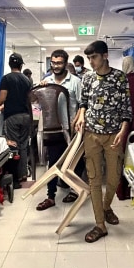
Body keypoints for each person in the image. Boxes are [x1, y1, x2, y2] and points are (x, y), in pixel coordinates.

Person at [73, 40, 132, 243]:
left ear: (105, 56)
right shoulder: (88, 78)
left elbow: (126, 109)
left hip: (114, 134)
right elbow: (84, 101)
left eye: (94, 57)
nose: (90, 62)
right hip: (91, 135)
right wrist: (81, 115)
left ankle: (106, 207)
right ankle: (100, 224)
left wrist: (123, 132)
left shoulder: (119, 78)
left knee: (114, 178)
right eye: (88, 58)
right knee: (95, 179)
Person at [35, 49, 83, 210]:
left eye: (59, 63)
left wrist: (77, 123)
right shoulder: (47, 80)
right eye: (53, 63)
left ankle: (74, 190)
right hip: (53, 129)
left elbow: (83, 104)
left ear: (65, 63)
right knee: (53, 162)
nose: (56, 66)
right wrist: (41, 90)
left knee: (74, 162)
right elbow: (36, 101)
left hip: (72, 129)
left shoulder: (75, 81)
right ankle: (50, 196)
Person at [0, 53, 33, 186]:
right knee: (24, 146)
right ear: (21, 65)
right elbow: (30, 99)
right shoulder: (27, 80)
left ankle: (15, 178)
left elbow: (2, 98)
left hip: (12, 116)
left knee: (13, 146)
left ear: (9, 65)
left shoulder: (6, 79)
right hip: (25, 116)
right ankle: (23, 174)